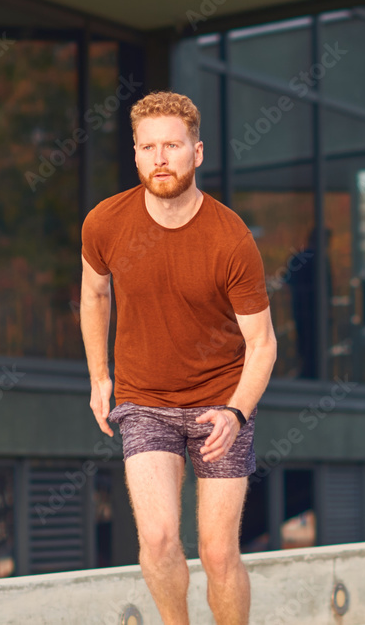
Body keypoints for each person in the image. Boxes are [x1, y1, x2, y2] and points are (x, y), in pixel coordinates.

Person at [80, 91, 276, 625]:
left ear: (198, 152)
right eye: (149, 147)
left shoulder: (230, 239)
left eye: (172, 145)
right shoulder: (104, 223)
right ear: (136, 155)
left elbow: (262, 343)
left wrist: (236, 413)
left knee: (217, 552)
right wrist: (100, 375)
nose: (161, 157)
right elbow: (95, 294)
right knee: (161, 539)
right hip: (144, 399)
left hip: (221, 404)